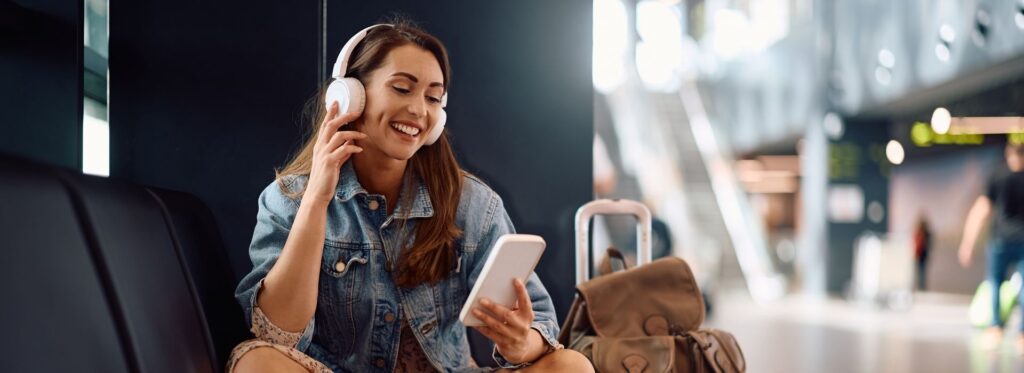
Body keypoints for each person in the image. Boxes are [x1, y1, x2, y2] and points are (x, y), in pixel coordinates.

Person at [228, 20, 593, 373]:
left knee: (571, 366)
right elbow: (276, 332)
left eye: (433, 97)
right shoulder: (288, 199)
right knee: (256, 360)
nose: (419, 110)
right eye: (402, 88)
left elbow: (540, 327)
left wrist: (520, 343)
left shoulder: (473, 205)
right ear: (350, 95)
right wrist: (316, 202)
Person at [959, 143, 1024, 352]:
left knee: (995, 282)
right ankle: (1022, 333)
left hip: (1000, 240)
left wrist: (967, 242)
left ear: (1008, 154)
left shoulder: (998, 175)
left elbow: (982, 209)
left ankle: (995, 327)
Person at [913, 216, 931, 291]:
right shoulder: (926, 233)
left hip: (920, 254)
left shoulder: (921, 232)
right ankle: (921, 286)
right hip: (922, 254)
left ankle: (921, 286)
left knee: (920, 271)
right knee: (922, 271)